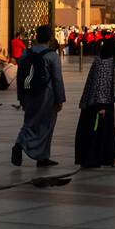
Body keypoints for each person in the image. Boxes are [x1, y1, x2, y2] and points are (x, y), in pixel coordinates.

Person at [12, 25, 67, 168]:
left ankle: (23, 145)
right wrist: (60, 99)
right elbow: (57, 79)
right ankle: (40, 155)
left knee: (29, 122)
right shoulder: (52, 55)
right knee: (46, 125)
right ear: (50, 38)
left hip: (29, 93)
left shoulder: (26, 53)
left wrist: (21, 96)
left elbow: (20, 77)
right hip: (46, 96)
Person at [74, 37, 115, 169]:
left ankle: (112, 157)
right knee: (102, 131)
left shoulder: (99, 59)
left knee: (104, 130)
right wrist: (102, 106)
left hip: (92, 101)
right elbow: (102, 84)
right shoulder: (108, 62)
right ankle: (105, 158)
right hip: (101, 103)